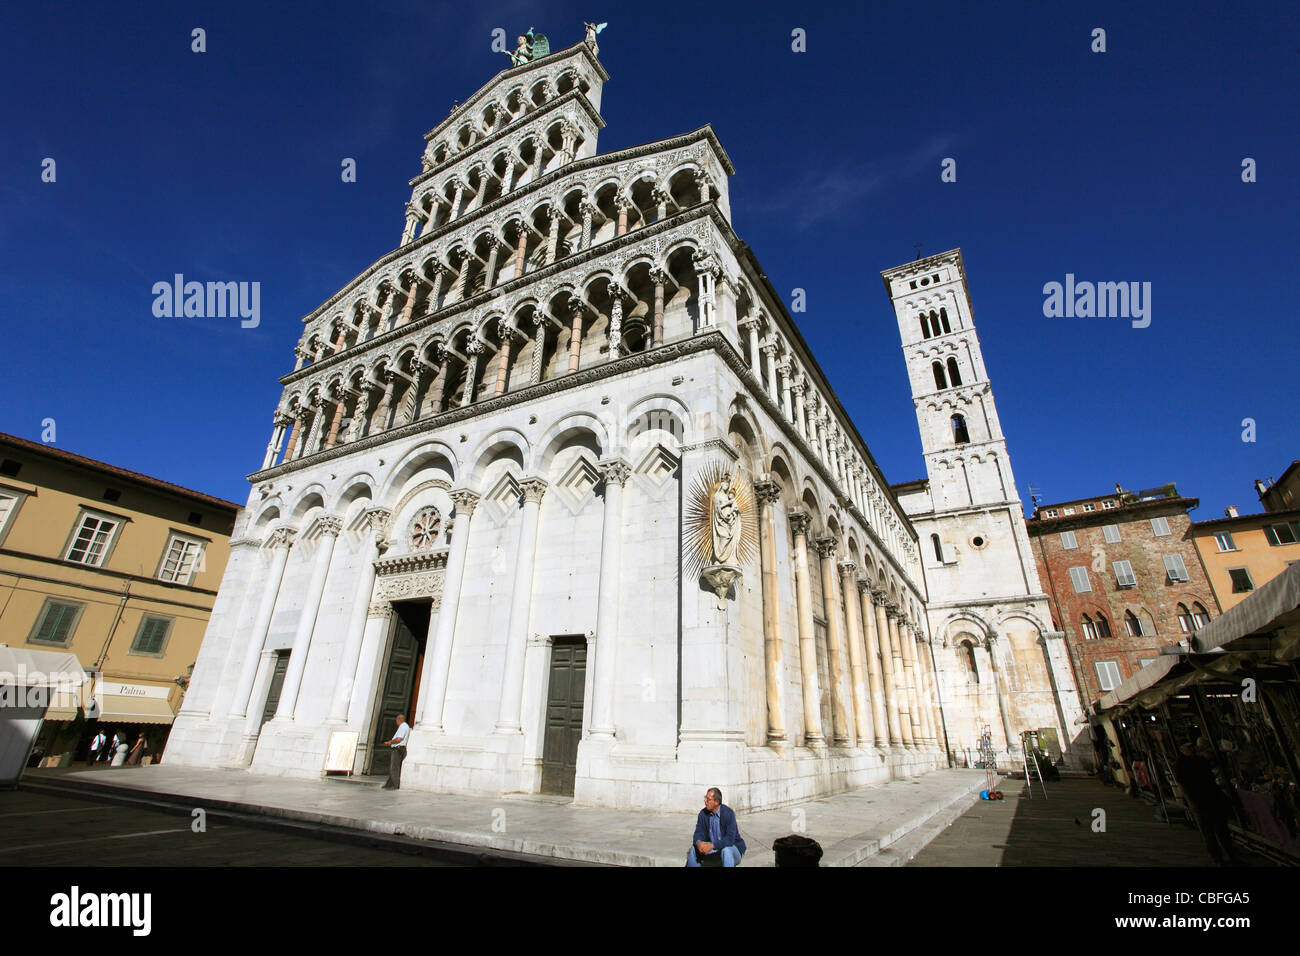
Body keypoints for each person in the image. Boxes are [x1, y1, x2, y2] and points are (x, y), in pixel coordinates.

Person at [1174, 741, 1238, 865]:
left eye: (1192, 747)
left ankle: (1230, 855)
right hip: (1199, 799)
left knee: (1221, 829)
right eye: (1188, 748)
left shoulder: (1199, 760)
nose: (1192, 750)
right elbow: (1180, 783)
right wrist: (1189, 801)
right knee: (1209, 831)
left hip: (1212, 797)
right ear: (1182, 749)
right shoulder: (1181, 763)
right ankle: (1218, 858)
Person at [686, 787, 746, 867]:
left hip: (731, 849)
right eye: (705, 798)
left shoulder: (728, 813)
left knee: (726, 851)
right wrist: (699, 842)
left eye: (708, 799)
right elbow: (698, 832)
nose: (705, 801)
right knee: (694, 849)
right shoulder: (703, 814)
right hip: (714, 849)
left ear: (716, 802)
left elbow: (730, 839)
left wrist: (712, 846)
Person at [381, 714, 410, 790]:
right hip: (400, 748)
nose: (396, 723)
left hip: (398, 749)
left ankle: (395, 785)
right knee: (394, 767)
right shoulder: (405, 726)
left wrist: (390, 742)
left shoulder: (403, 727)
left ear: (399, 720)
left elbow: (399, 739)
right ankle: (389, 784)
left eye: (396, 721)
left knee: (394, 768)